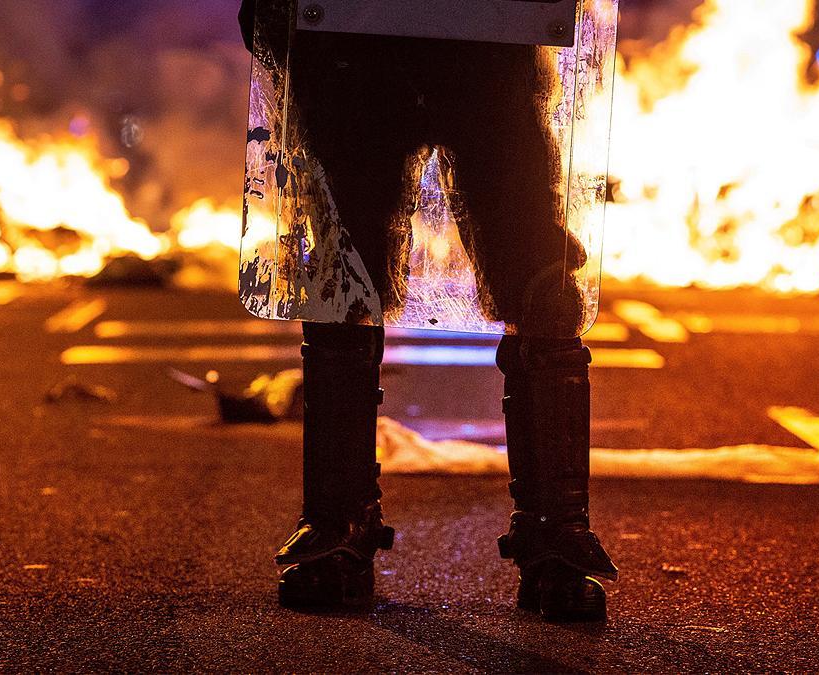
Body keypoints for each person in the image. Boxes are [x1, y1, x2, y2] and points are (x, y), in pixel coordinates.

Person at [239, 0, 617, 622]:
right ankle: (341, 527)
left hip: (480, 39)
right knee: (342, 287)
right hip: (358, 38)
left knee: (541, 289)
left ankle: (555, 536)